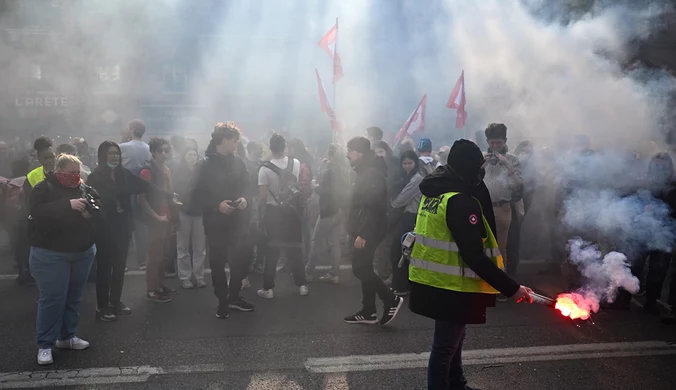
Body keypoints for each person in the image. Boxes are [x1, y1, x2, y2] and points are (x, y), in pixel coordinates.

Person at [408, 139, 534, 389]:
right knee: (444, 346)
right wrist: (512, 288)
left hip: (433, 280)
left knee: (454, 338)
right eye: (477, 168)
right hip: (451, 284)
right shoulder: (460, 201)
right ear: (468, 168)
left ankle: (457, 383)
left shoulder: (436, 191)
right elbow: (474, 256)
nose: (481, 173)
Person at [88, 141, 177, 321]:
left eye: (117, 154)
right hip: (105, 228)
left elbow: (144, 185)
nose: (115, 157)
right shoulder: (95, 177)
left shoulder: (123, 174)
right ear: (102, 156)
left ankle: (115, 301)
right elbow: (94, 202)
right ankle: (102, 307)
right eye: (111, 153)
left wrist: (168, 195)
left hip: (123, 227)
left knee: (120, 266)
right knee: (105, 267)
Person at [28, 154, 99, 365]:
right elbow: (37, 212)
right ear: (59, 171)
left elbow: (98, 206)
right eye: (71, 172)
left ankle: (67, 336)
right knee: (52, 299)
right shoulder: (43, 188)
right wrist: (67, 205)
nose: (76, 176)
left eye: (78, 172)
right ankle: (45, 344)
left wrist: (91, 213)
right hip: (50, 253)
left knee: (73, 297)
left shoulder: (84, 187)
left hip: (82, 252)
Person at [192, 122, 253, 319]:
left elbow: (247, 186)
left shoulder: (238, 162)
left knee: (241, 259)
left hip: (239, 221)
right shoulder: (205, 164)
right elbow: (197, 194)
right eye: (234, 141)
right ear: (224, 140)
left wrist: (244, 199)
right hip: (215, 222)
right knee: (217, 261)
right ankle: (222, 300)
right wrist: (216, 205)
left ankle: (234, 295)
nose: (236, 144)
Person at [343, 136, 403, 326]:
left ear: (359, 153)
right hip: (364, 228)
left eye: (350, 151)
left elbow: (372, 206)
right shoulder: (366, 170)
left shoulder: (371, 173)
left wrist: (363, 233)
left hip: (369, 229)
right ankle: (368, 311)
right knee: (365, 267)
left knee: (360, 268)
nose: (347, 154)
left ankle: (390, 299)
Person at [257, 134, 309, 299]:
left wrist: (259, 215)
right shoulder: (296, 163)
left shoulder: (264, 169)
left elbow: (263, 197)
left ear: (270, 148)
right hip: (293, 212)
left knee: (272, 251)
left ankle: (269, 289)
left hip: (274, 213)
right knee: (295, 249)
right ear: (284, 146)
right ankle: (302, 285)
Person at [138, 138, 177, 303]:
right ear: (153, 152)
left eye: (166, 150)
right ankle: (152, 290)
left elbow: (169, 193)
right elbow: (142, 199)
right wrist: (156, 217)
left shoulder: (166, 169)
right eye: (160, 150)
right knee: (154, 256)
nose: (164, 153)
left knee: (162, 254)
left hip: (165, 216)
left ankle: (160, 286)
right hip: (155, 219)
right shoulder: (147, 171)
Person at [305, 143, 350, 283]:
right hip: (340, 210)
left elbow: (329, 192)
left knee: (316, 241)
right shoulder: (343, 169)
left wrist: (315, 188)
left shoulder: (331, 171)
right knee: (334, 242)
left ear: (330, 154)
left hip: (329, 210)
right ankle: (334, 273)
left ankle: (308, 271)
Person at [483, 123, 522, 278]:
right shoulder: (482, 157)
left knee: (500, 248)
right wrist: (481, 164)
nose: (495, 146)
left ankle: (501, 284)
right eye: (492, 143)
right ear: (487, 142)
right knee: (482, 247)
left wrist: (507, 166)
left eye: (499, 143)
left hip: (502, 208)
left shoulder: (513, 159)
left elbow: (518, 185)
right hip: (482, 208)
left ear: (505, 140)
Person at [389, 150, 424, 296]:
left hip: (412, 219)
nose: (407, 166)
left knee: (402, 251)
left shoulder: (417, 178)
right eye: (404, 163)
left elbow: (400, 200)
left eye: (410, 163)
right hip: (406, 218)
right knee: (402, 251)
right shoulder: (407, 176)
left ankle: (403, 285)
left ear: (415, 163)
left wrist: (392, 201)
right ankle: (402, 283)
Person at [173, 146, 207, 289]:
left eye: (195, 155)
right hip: (183, 212)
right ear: (184, 157)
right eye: (189, 155)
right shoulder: (179, 173)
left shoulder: (203, 173)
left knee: (200, 248)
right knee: (183, 246)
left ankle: (199, 276)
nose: (193, 157)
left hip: (199, 213)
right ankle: (185, 277)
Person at [120, 119, 151, 271]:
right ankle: (142, 261)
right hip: (143, 187)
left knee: (125, 226)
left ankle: (123, 262)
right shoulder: (148, 148)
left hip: (125, 189)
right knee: (141, 226)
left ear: (131, 129)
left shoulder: (123, 147)